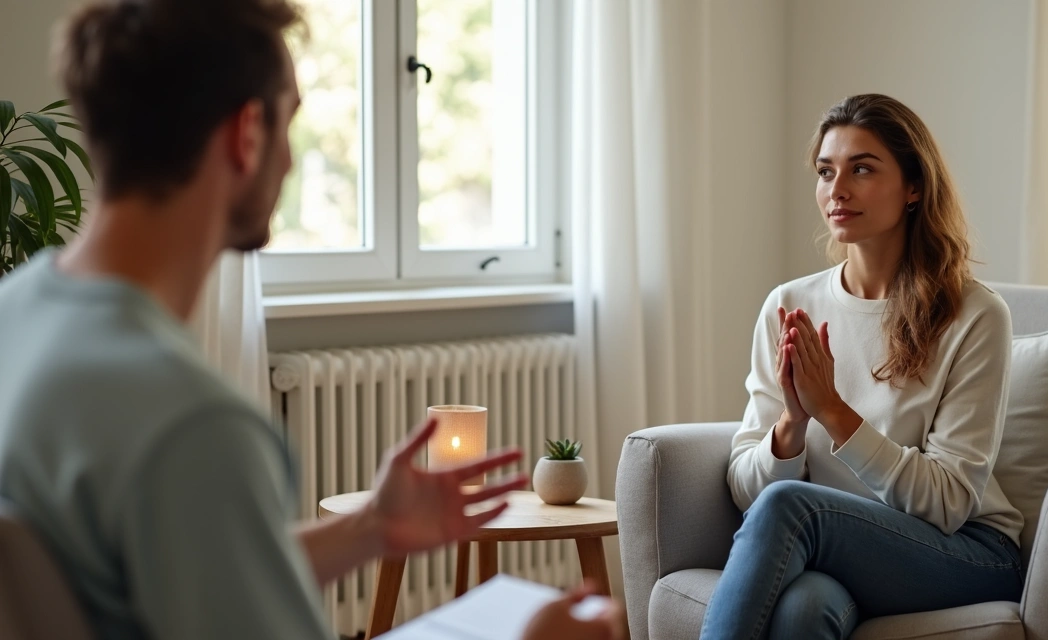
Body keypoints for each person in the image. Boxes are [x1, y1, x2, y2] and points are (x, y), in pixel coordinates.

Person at [0, 1, 622, 638]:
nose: (291, 162)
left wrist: (370, 527)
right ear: (246, 134)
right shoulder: (191, 424)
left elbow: (189, 581)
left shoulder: (17, 313)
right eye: (289, 123)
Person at [699, 94, 1024, 639]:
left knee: (792, 507)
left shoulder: (976, 315)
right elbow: (747, 492)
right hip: (842, 547)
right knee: (804, 608)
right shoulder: (789, 305)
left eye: (863, 169)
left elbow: (947, 503)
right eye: (826, 172)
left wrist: (831, 410)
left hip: (968, 551)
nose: (837, 190)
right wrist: (792, 425)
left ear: (914, 187)